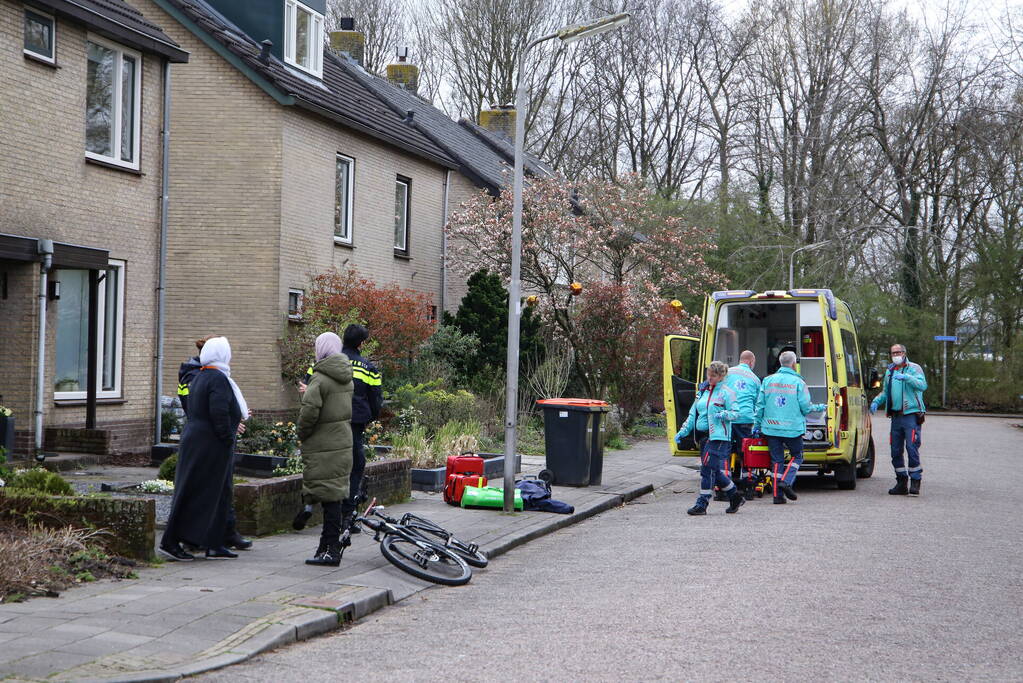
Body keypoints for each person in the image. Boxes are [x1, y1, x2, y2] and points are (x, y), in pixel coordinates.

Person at [160, 337, 248, 561]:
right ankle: (171, 541)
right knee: (197, 491)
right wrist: (227, 438)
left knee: (213, 493)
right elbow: (218, 412)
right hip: (209, 443)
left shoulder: (201, 376)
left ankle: (214, 542)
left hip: (199, 439)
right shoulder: (217, 379)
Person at [296, 332, 354, 567]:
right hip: (341, 441)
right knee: (335, 496)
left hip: (323, 445)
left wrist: (302, 434)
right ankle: (325, 546)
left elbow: (309, 413)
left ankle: (331, 549)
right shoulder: (346, 377)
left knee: (330, 499)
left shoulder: (319, 379)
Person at [753, 350, 826, 505]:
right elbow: (806, 408)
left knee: (777, 461)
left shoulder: (767, 380)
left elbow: (760, 406)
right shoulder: (799, 382)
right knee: (797, 456)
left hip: (770, 429)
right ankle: (786, 481)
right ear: (794, 364)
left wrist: (757, 425)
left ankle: (777, 496)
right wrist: (821, 407)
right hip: (792, 429)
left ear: (780, 363)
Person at [674, 361, 746, 516]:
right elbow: (693, 414)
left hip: (719, 437)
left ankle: (702, 503)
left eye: (713, 375)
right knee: (712, 468)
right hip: (703, 437)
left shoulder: (727, 392)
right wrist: (683, 431)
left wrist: (724, 414)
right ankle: (735, 496)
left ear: (721, 376)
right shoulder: (703, 392)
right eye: (709, 374)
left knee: (706, 468)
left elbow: (736, 413)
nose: (710, 378)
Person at [340, 324, 383, 532]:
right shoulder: (368, 367)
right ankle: (347, 515)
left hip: (330, 424)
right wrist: (372, 417)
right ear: (361, 343)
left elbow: (308, 384)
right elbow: (376, 399)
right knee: (356, 466)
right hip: (355, 423)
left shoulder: (324, 363)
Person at [870, 343, 927, 496]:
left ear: (904, 353)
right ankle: (901, 481)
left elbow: (922, 385)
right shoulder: (890, 371)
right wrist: (876, 401)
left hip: (911, 415)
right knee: (895, 451)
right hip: (895, 416)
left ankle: (915, 480)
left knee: (911, 447)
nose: (895, 355)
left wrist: (907, 378)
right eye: (893, 353)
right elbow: (885, 392)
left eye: (898, 352)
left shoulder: (914, 368)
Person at [723, 350, 761, 496]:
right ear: (751, 361)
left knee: (725, 450)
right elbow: (758, 404)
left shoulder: (727, 373)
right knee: (746, 452)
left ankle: (724, 484)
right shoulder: (755, 379)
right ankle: (748, 485)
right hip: (745, 419)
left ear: (740, 360)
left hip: (728, 418)